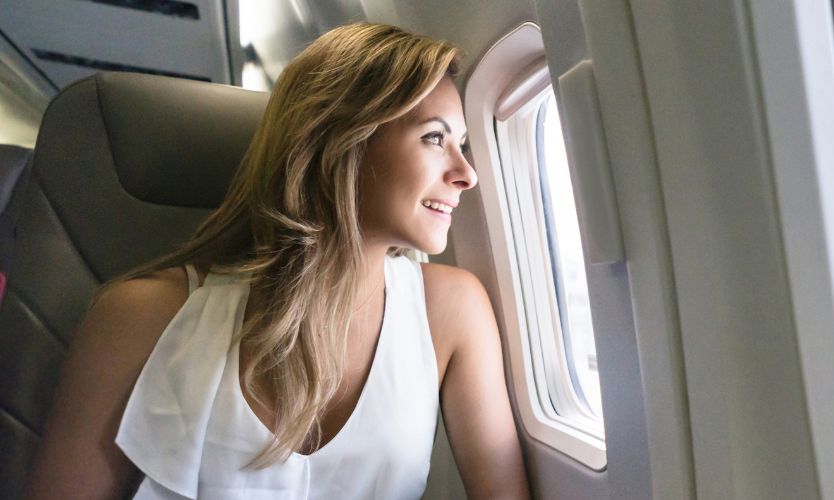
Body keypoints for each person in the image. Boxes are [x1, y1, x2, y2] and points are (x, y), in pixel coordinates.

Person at [24, 22, 531, 499]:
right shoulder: (139, 316)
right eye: (434, 138)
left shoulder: (453, 311)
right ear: (342, 144)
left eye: (462, 144)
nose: (467, 174)